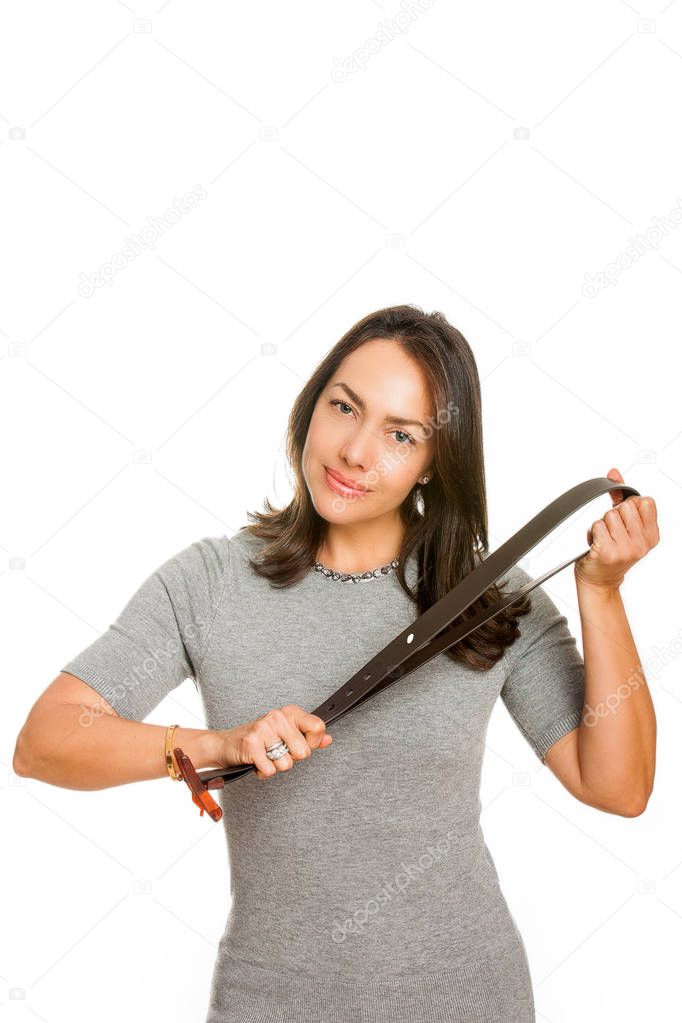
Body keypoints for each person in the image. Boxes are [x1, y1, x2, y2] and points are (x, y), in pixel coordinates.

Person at [13, 304, 657, 1022]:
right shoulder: (209, 583)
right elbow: (44, 741)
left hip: (470, 999)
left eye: (400, 434)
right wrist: (216, 746)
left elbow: (618, 785)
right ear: (310, 406)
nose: (354, 450)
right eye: (344, 406)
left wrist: (601, 592)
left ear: (432, 463)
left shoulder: (488, 601)